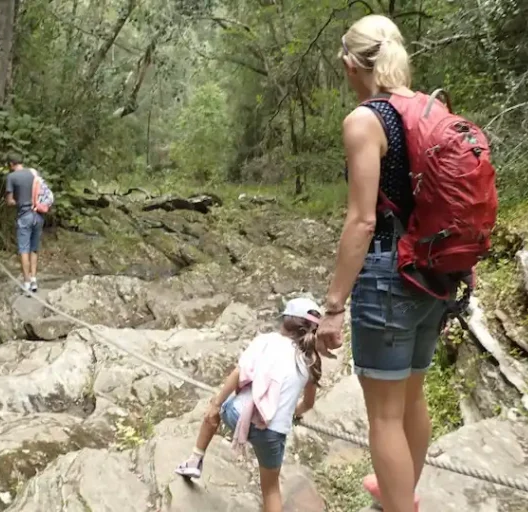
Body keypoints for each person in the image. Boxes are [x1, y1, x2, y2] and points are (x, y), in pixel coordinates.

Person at [315, 15, 450, 512]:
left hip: (389, 274)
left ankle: (399, 505)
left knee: (385, 417)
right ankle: (399, 491)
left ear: (352, 65)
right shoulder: (428, 108)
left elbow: (361, 221)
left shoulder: (364, 120)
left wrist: (333, 307)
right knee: (413, 396)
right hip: (433, 270)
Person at [174, 297, 324, 512]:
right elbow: (308, 404)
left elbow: (239, 373)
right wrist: (293, 414)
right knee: (271, 490)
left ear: (285, 321)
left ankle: (195, 460)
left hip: (237, 415)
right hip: (273, 433)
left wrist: (216, 404)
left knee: (219, 402)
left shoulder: (266, 340)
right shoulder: (311, 360)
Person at [3, 153, 44, 292]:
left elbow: (10, 201)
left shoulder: (11, 177)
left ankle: (26, 282)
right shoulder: (34, 173)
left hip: (24, 216)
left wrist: (17, 201)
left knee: (24, 249)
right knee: (34, 249)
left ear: (11, 164)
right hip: (38, 215)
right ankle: (34, 280)